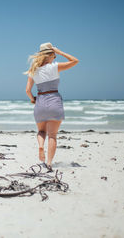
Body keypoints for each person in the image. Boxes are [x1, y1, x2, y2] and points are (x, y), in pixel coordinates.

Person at [24, 42, 79, 171]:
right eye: (54, 56)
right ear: (51, 55)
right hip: (54, 101)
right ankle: (49, 163)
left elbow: (27, 90)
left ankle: (41, 146)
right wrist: (60, 52)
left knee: (41, 132)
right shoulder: (54, 67)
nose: (55, 58)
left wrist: (33, 100)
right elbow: (75, 61)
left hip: (40, 102)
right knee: (53, 135)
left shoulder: (33, 71)